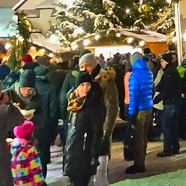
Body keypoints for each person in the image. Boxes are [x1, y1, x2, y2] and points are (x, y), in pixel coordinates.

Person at [64, 54, 105, 186]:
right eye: (82, 85)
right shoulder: (72, 104)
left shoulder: (93, 104)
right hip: (72, 151)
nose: (86, 88)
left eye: (88, 85)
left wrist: (94, 155)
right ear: (76, 87)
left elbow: (97, 131)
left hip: (84, 152)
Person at [125, 51, 154, 174]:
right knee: (144, 136)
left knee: (138, 137)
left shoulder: (134, 75)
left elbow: (133, 96)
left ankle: (139, 164)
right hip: (148, 106)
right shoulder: (148, 72)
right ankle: (141, 161)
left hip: (139, 109)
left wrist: (131, 114)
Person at [94, 55, 120, 186]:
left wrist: (107, 130)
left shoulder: (106, 81)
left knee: (101, 160)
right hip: (89, 127)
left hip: (101, 126)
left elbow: (112, 108)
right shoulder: (86, 80)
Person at [153, 51, 186, 156]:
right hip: (175, 101)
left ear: (165, 61)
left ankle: (168, 149)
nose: (161, 63)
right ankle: (175, 147)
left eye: (162, 61)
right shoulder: (173, 71)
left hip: (170, 102)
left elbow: (167, 90)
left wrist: (155, 100)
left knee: (167, 126)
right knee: (173, 125)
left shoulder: (168, 73)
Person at [10, 120, 48, 186]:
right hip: (30, 183)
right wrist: (41, 183)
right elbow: (36, 169)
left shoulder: (12, 147)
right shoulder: (29, 149)